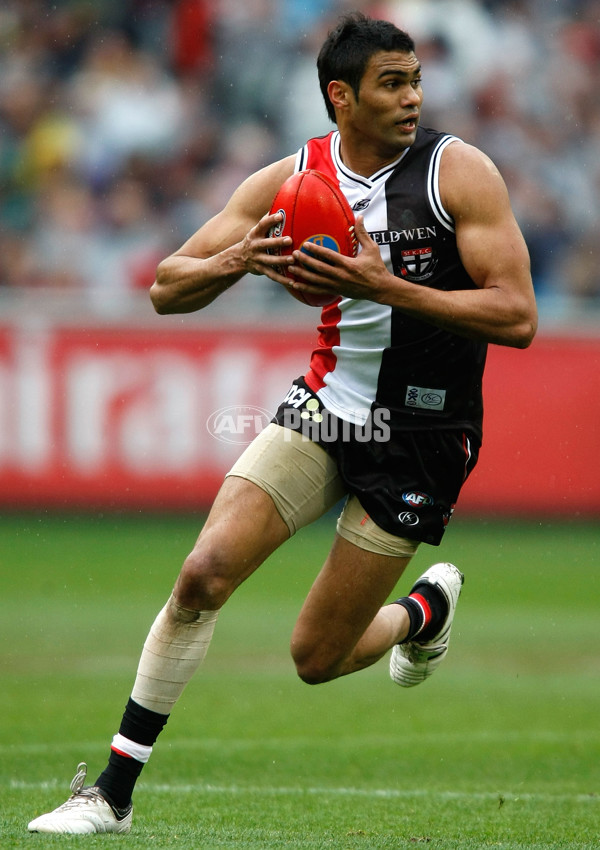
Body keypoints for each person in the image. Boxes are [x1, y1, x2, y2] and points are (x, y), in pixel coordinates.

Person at [28, 11, 537, 835]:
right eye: (392, 83)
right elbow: (165, 286)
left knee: (315, 659)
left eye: (415, 82)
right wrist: (237, 262)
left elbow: (517, 316)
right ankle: (110, 797)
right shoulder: (294, 177)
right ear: (341, 96)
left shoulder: (457, 173)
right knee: (201, 576)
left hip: (422, 437)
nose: (413, 98)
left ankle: (422, 614)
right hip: (324, 407)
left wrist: (389, 288)